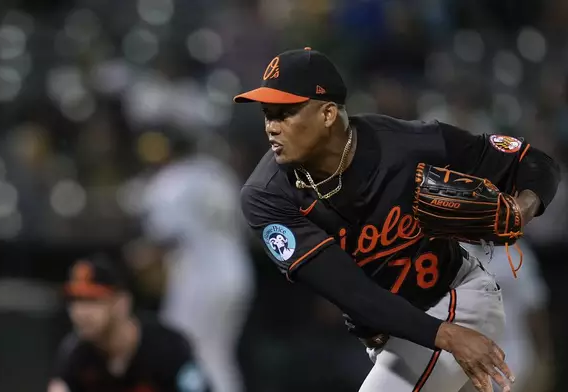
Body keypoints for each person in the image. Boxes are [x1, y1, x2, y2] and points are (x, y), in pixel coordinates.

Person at [234, 47, 560, 392]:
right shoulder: (266, 196)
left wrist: (523, 209)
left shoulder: (406, 143)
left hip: (456, 300)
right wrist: (444, 336)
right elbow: (352, 293)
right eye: (267, 114)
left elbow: (535, 163)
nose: (271, 127)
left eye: (285, 113)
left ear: (328, 113)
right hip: (405, 334)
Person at [130, 133, 254, 392]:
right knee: (217, 351)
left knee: (190, 349)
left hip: (199, 277)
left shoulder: (170, 181)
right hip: (237, 271)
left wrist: (139, 256)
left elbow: (164, 237)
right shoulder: (218, 173)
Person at [47, 254, 209, 392]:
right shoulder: (76, 355)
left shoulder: (167, 347)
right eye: (75, 301)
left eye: (92, 301)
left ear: (122, 303)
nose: (80, 312)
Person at [463, 240, 553, 392]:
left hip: (516, 352)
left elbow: (534, 307)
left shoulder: (514, 253)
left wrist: (545, 356)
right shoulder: (454, 250)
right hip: (468, 354)